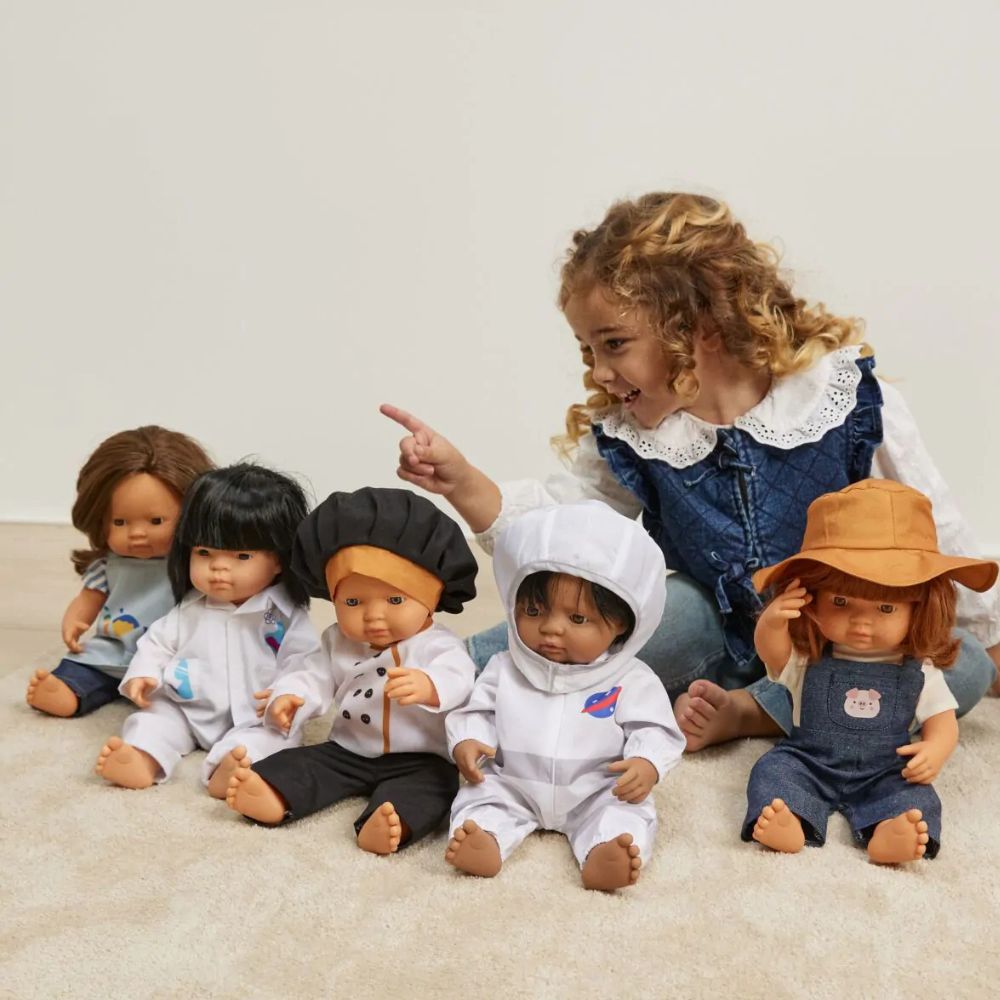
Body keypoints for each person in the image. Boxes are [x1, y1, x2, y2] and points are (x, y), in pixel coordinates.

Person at [381, 191, 999, 751]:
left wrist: (990, 630)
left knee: (965, 663)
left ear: (700, 326)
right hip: (712, 631)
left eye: (614, 344)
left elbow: (935, 523)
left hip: (841, 634)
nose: (598, 371)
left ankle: (755, 711)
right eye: (588, 350)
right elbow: (559, 531)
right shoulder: (633, 433)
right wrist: (462, 481)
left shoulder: (843, 399)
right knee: (646, 605)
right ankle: (434, 677)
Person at [742, 479, 997, 863]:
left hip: (885, 770)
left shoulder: (920, 671)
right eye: (841, 602)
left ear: (920, 607)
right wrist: (772, 623)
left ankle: (893, 831)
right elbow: (774, 655)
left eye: (886, 608)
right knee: (772, 771)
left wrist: (936, 749)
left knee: (918, 797)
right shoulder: (810, 657)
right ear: (810, 599)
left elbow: (943, 722)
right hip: (809, 761)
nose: (862, 623)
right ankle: (790, 819)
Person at [226, 487, 479, 856]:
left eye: (395, 600)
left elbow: (460, 676)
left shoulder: (437, 644)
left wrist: (430, 685)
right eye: (353, 601)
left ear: (432, 597)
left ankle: (392, 822)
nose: (373, 615)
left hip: (421, 758)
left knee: (432, 789)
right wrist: (291, 695)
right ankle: (272, 792)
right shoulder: (337, 640)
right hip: (347, 749)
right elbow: (311, 671)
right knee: (303, 763)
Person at [445, 502, 684, 891]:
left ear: (621, 624)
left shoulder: (632, 679)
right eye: (534, 610)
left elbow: (655, 728)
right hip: (513, 783)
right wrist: (468, 741)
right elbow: (477, 712)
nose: (551, 629)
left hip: (597, 788)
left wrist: (647, 763)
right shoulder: (504, 668)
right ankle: (484, 837)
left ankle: (608, 851)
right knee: (480, 796)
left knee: (626, 811)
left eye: (577, 619)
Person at [95, 464, 321, 796]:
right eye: (204, 552)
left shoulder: (283, 617)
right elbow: (156, 643)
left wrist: (289, 695)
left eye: (241, 556)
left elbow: (306, 664)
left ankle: (231, 767)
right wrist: (144, 673)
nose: (218, 567)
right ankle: (142, 757)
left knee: (273, 739)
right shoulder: (189, 610)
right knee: (153, 719)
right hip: (187, 707)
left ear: (278, 560)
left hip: (256, 716)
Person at [26, 425, 213, 718]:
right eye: (120, 522)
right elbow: (88, 599)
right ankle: (68, 691)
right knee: (82, 667)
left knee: (194, 685)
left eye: (155, 521)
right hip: (112, 653)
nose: (137, 534)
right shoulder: (107, 567)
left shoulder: (194, 564)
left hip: (170, 657)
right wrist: (74, 621)